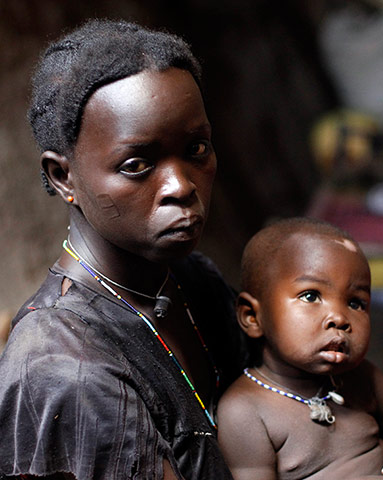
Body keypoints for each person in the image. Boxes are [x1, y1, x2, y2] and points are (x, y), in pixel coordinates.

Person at [0, 20, 246, 479]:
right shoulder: (66, 370)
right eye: (137, 165)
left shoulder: (193, 281)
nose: (180, 186)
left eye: (197, 149)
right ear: (63, 177)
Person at [216, 217, 383, 480]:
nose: (339, 318)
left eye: (356, 303)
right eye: (310, 296)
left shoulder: (362, 378)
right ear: (252, 316)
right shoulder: (245, 411)